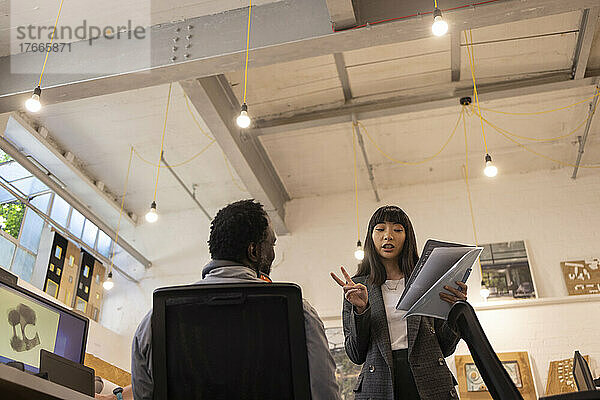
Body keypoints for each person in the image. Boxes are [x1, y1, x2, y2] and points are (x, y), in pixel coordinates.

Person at [131, 199, 340, 400]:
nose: (273, 253)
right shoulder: (299, 314)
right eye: (271, 244)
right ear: (254, 251)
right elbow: (324, 393)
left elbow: (144, 394)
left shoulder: (155, 321)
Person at [331, 205, 467, 400]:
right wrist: (361, 310)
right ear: (371, 236)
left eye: (397, 229)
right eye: (380, 229)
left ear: (407, 237)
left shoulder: (428, 280)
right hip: (378, 385)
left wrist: (455, 310)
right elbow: (355, 354)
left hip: (431, 383)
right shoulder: (357, 287)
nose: (388, 236)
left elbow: (445, 347)